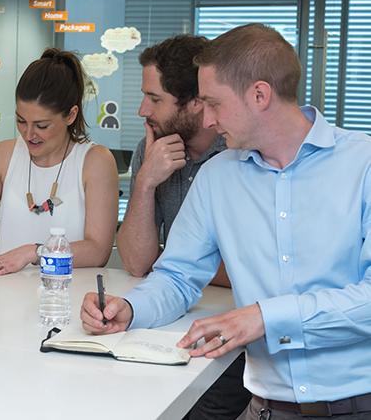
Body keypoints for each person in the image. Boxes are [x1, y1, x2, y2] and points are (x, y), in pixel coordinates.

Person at [81, 23, 371, 419]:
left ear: (259, 94)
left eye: (214, 104)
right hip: (265, 409)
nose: (207, 121)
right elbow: (177, 276)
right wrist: (130, 308)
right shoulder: (218, 176)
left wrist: (264, 317)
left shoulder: (363, 165)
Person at [116, 35, 249, 420]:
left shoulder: (238, 153)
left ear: (196, 103)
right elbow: (138, 264)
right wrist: (144, 182)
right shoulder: (154, 148)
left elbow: (253, 270)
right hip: (170, 309)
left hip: (230, 329)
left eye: (155, 99)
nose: (143, 110)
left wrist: (176, 263)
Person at [0, 48, 119, 275]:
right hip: (4, 296)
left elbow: (99, 250)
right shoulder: (3, 154)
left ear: (71, 115)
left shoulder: (95, 161)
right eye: (21, 121)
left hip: (66, 298)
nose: (29, 134)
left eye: (42, 126)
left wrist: (36, 252)